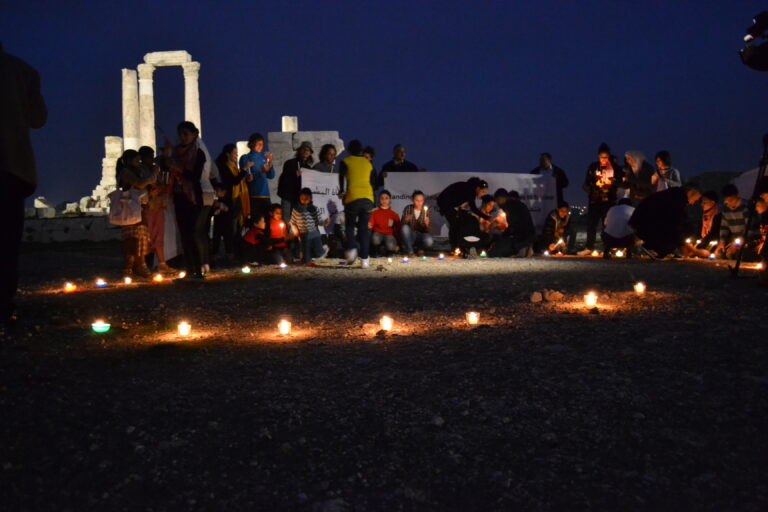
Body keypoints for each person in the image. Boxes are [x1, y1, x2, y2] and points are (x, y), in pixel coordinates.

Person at [0, 44, 47, 332]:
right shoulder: (22, 71)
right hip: (9, 166)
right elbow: (38, 119)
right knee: (5, 244)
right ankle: (3, 309)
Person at [162, 121, 211, 279]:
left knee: (193, 233)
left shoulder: (198, 153)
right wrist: (167, 156)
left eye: (185, 134)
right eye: (180, 134)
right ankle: (190, 269)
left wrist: (178, 168)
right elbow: (164, 168)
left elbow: (195, 177)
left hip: (193, 197)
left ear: (194, 134)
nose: (182, 137)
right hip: (178, 196)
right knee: (183, 234)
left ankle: (198, 269)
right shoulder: (175, 153)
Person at [628, 183, 702, 258]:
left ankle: (661, 248)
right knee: (687, 227)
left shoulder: (672, 195)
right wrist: (693, 250)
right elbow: (675, 224)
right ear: (690, 193)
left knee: (683, 224)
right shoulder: (676, 200)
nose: (693, 203)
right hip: (645, 227)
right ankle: (654, 246)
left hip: (640, 224)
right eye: (695, 200)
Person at [117, 149, 156, 278]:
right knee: (132, 240)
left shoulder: (137, 170)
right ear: (128, 160)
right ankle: (128, 269)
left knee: (142, 238)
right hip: (130, 209)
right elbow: (139, 184)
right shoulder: (125, 172)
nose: (139, 163)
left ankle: (140, 266)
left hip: (140, 208)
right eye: (137, 160)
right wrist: (152, 177)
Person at [338, 139, 376, 268]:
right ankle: (365, 260)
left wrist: (342, 192)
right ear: (361, 151)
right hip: (368, 198)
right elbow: (372, 182)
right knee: (363, 229)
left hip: (353, 197)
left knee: (349, 225)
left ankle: (353, 248)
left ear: (349, 150)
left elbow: (341, 179)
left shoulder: (345, 161)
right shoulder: (368, 163)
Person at [580, 143, 619, 255]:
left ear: (609, 156)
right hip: (595, 200)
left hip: (609, 200)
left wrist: (612, 183)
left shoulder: (614, 168)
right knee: (591, 223)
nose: (604, 160)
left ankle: (607, 247)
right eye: (602, 157)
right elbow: (586, 182)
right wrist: (594, 185)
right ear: (598, 156)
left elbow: (621, 181)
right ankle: (589, 247)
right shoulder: (593, 167)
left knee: (606, 225)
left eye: (606, 157)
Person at [139, 146, 172, 272]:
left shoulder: (155, 168)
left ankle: (161, 263)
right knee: (147, 235)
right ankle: (143, 264)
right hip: (147, 206)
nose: (151, 159)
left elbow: (161, 183)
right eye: (148, 156)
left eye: (152, 155)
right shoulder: (140, 170)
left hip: (158, 203)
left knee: (159, 234)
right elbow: (142, 185)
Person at [215, 143, 250, 261]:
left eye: (237, 153)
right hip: (229, 201)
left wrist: (246, 178)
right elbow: (233, 181)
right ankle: (230, 253)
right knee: (230, 229)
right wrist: (244, 169)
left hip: (237, 199)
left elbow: (239, 181)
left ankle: (236, 253)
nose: (236, 155)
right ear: (227, 154)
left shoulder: (234, 167)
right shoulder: (224, 167)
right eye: (234, 153)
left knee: (237, 228)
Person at [437, 177, 490, 251]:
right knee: (454, 223)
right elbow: (474, 208)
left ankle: (457, 246)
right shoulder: (470, 191)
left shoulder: (468, 188)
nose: (482, 194)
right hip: (445, 203)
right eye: (483, 191)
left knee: (457, 222)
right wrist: (486, 217)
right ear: (478, 188)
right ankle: (455, 247)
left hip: (448, 204)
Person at [488, 190, 535, 257]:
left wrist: (503, 237)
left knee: (495, 253)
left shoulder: (510, 207)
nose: (497, 204)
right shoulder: (515, 205)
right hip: (525, 238)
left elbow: (513, 226)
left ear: (501, 198)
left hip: (522, 240)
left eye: (497, 201)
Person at [240, 133, 274, 221]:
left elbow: (271, 176)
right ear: (251, 144)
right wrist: (261, 172)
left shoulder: (264, 158)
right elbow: (247, 178)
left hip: (265, 194)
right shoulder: (246, 158)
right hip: (253, 195)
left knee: (267, 221)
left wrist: (270, 163)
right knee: (254, 222)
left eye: (262, 144)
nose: (261, 146)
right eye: (258, 144)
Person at [290, 188, 329, 265]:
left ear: (311, 199)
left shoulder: (314, 209)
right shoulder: (296, 209)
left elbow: (319, 221)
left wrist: (325, 222)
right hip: (303, 235)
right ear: (299, 198)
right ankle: (307, 257)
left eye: (306, 199)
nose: (304, 200)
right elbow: (293, 222)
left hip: (314, 234)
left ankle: (323, 250)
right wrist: (296, 231)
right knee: (306, 261)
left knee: (319, 254)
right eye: (302, 199)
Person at [278, 141, 313, 225]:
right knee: (287, 220)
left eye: (308, 150)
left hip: (300, 200)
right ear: (299, 151)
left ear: (310, 153)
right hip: (288, 197)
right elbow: (283, 179)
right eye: (303, 149)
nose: (305, 151)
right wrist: (294, 174)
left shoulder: (308, 168)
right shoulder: (289, 163)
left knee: (299, 221)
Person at [716, 184, 751, 259]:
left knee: (740, 255)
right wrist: (722, 241)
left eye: (731, 200)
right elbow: (724, 227)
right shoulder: (726, 210)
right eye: (727, 201)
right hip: (735, 240)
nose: (729, 203)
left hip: (749, 240)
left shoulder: (745, 208)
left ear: (738, 196)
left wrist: (736, 244)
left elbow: (749, 229)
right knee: (721, 253)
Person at [681, 191, 721, 258]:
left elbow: (714, 234)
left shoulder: (718, 215)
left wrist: (698, 247)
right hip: (705, 241)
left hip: (715, 242)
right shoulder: (704, 215)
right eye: (701, 202)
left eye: (705, 203)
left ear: (713, 203)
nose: (702, 204)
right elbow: (698, 230)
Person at [400, 190, 434, 256]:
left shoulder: (426, 210)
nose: (419, 202)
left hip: (421, 235)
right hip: (412, 235)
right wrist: (405, 220)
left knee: (429, 241)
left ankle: (420, 249)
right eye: (417, 200)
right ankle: (410, 251)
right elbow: (402, 225)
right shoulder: (408, 208)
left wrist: (427, 224)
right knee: (405, 228)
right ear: (412, 200)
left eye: (421, 200)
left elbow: (428, 230)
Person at [369, 190, 401, 256]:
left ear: (390, 200)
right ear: (379, 200)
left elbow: (398, 230)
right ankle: (376, 251)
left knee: (391, 246)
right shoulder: (375, 212)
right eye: (382, 198)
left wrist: (398, 244)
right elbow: (370, 224)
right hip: (377, 233)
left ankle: (386, 250)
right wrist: (369, 225)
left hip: (389, 235)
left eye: (386, 198)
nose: (384, 200)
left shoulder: (394, 214)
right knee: (375, 239)